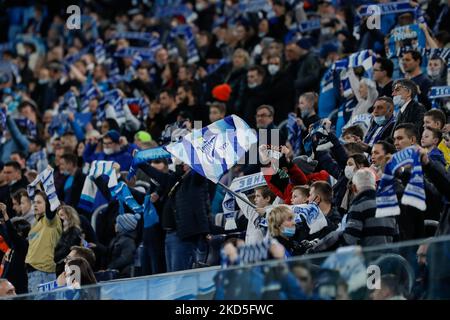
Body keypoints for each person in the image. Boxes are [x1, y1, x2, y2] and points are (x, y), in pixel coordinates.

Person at [25, 190, 62, 293]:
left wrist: (49, 188)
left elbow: (51, 211)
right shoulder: (36, 223)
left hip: (43, 272)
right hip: (32, 272)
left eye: (39, 202)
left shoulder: (51, 220)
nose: (35, 205)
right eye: (34, 202)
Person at [0, 203, 30, 294]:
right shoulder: (12, 246)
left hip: (19, 290)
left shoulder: (22, 245)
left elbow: (10, 233)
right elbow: (6, 233)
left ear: (20, 232)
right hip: (8, 288)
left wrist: (5, 214)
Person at [107, 213, 140, 278]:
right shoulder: (117, 238)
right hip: (115, 272)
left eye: (117, 223)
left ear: (124, 226)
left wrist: (111, 266)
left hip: (123, 275)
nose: (115, 225)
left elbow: (125, 258)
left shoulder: (129, 241)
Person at [54, 206, 83, 276]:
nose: (59, 218)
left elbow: (66, 249)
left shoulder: (75, 231)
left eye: (62, 215)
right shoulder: (60, 232)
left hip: (68, 267)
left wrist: (52, 258)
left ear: (69, 216)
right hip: (59, 266)